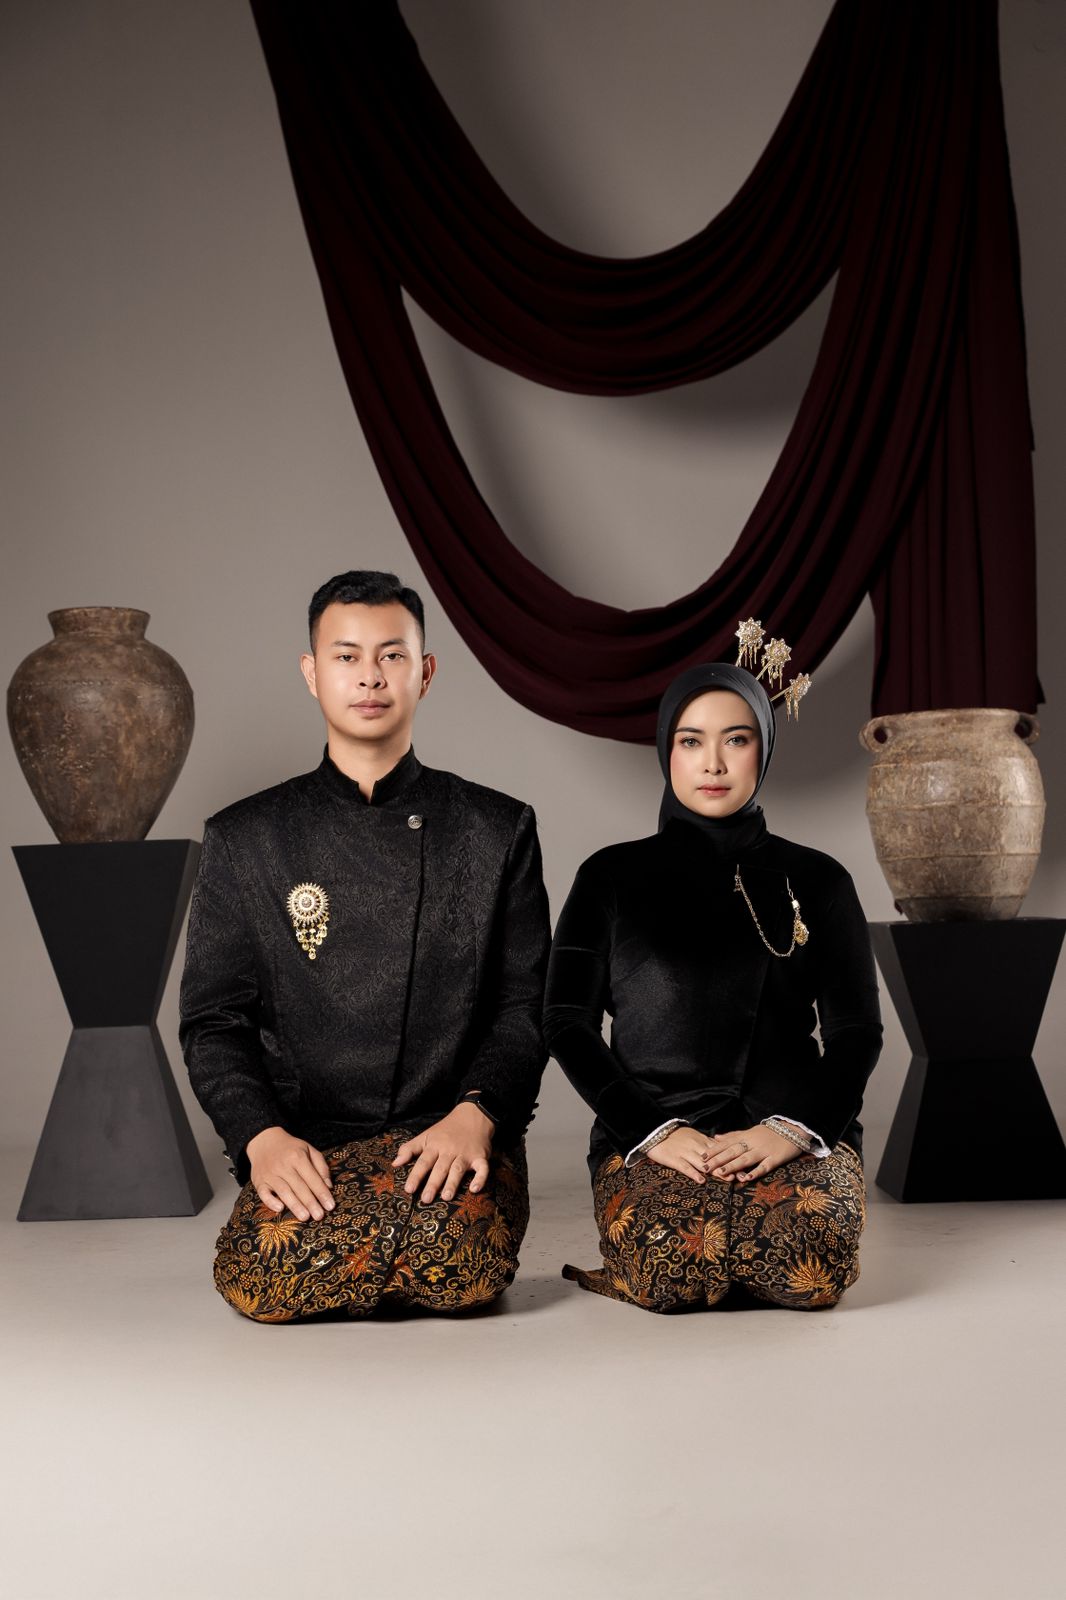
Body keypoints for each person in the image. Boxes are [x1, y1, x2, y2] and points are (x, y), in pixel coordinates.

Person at [179, 570, 550, 1321]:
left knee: (462, 1265)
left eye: (392, 655)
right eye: (346, 656)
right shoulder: (246, 837)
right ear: (312, 673)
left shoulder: (494, 827)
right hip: (308, 1141)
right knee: (261, 1277)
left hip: (446, 1131)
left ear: (425, 672)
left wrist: (477, 1114)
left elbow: (525, 1005)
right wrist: (261, 1138)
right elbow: (213, 1021)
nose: (370, 677)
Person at [543, 630, 882, 1312]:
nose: (714, 763)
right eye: (692, 741)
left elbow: (856, 1033)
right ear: (667, 750)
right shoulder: (610, 876)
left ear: (764, 748)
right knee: (670, 1269)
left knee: (812, 1266)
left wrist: (790, 1131)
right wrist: (653, 1132)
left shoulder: (819, 878)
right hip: (659, 1131)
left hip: (788, 1125)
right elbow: (565, 1021)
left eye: (737, 739)